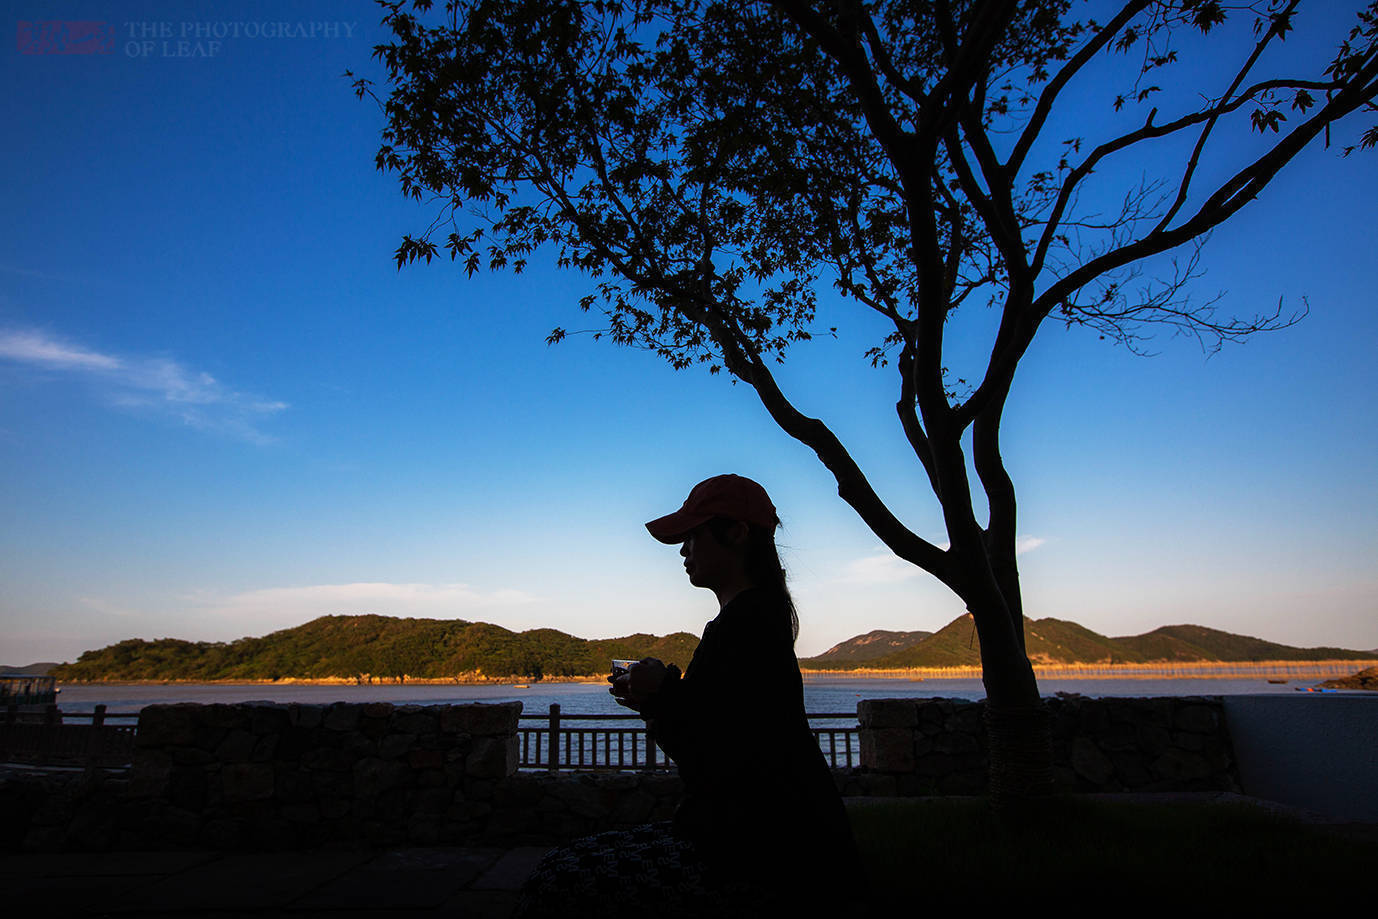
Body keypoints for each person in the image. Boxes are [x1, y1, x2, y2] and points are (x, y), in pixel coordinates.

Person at [515, 474, 862, 917]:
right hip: (773, 839)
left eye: (693, 535)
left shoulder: (747, 626)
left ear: (736, 533)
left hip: (765, 856)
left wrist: (661, 695)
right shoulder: (757, 618)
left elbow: (718, 760)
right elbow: (726, 734)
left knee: (558, 879)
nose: (683, 550)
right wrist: (659, 698)